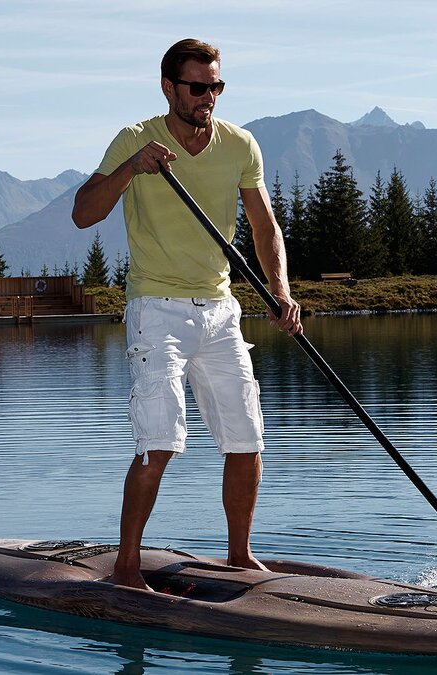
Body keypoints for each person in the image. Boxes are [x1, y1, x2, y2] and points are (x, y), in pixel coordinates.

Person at [72, 38, 302, 591]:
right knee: (160, 439)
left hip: (222, 310)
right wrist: (133, 166)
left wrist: (280, 291)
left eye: (216, 86)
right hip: (157, 308)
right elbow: (83, 213)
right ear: (169, 88)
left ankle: (240, 555)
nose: (209, 97)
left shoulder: (240, 145)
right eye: (198, 87)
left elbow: (265, 225)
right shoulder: (135, 138)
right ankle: (126, 568)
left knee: (247, 440)